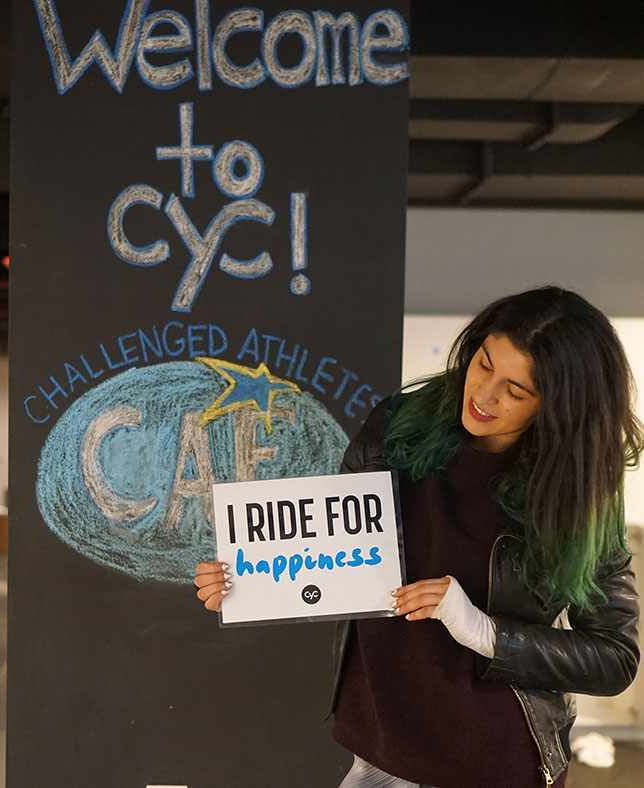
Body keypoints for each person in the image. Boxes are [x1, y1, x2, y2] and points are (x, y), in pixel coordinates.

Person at [194, 287, 642, 788]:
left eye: (515, 391)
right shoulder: (398, 426)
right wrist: (250, 580)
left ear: (557, 408)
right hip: (381, 750)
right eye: (483, 364)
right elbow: (328, 553)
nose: (484, 395)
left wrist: (483, 632)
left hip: (495, 764)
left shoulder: (578, 492)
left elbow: (614, 656)